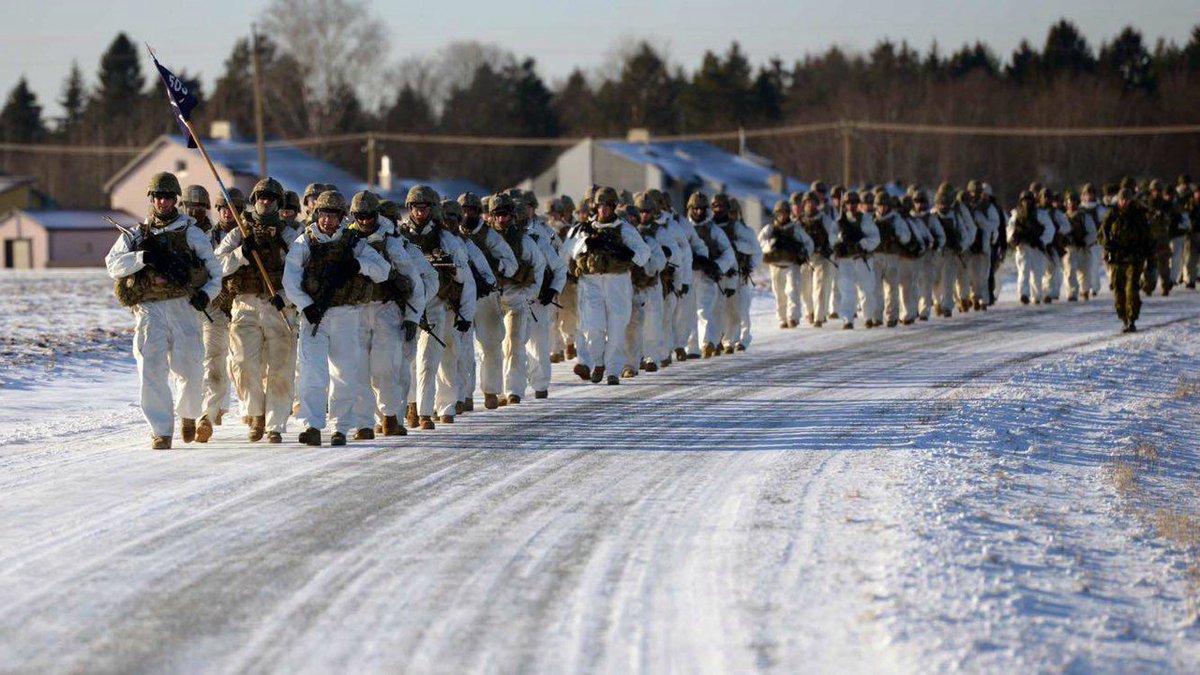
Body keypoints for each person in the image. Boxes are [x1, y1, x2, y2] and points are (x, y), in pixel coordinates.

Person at [105, 171, 223, 449]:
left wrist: (205, 296)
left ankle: (188, 415)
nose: (163, 202)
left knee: (190, 368)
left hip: (183, 307)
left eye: (169, 197)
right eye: (159, 196)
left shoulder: (191, 232)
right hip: (149, 310)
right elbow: (113, 265)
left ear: (175, 200)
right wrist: (142, 257)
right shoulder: (136, 235)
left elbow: (214, 271)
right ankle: (161, 431)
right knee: (151, 369)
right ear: (152, 198)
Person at [282, 190, 390, 446]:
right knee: (312, 372)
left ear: (341, 217)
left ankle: (341, 427)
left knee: (344, 373)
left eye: (333, 215)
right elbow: (291, 278)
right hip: (314, 316)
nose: (327, 220)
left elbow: (383, 271)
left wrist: (357, 265)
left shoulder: (355, 243)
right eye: (323, 214)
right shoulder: (304, 242)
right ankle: (312, 425)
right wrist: (306, 306)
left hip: (346, 315)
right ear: (316, 214)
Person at [213, 177, 298, 443]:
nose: (266, 201)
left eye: (271, 198)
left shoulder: (289, 234)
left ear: (278, 202)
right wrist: (240, 253)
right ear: (253, 200)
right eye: (261, 197)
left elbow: (300, 269)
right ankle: (254, 415)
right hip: (245, 304)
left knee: (280, 367)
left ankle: (274, 425)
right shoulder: (240, 230)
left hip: (278, 306)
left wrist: (286, 296)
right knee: (242, 363)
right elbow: (217, 265)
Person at [344, 190, 424, 438]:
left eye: (369, 215)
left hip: (386, 311)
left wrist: (413, 318)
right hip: (356, 311)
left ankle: (390, 417)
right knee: (357, 371)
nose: (365, 220)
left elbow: (414, 281)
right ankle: (364, 424)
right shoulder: (346, 241)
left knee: (385, 368)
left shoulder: (391, 243)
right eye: (360, 215)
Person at [400, 186, 476, 428]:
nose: (419, 213)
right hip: (407, 306)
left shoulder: (447, 239)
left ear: (432, 210)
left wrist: (465, 313)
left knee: (430, 360)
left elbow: (467, 279)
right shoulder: (400, 237)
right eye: (415, 208)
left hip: (437, 305)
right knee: (405, 360)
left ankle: (430, 411)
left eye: (424, 208)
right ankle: (410, 406)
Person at [569, 186, 652, 382]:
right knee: (593, 326)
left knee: (616, 327)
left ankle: (613, 371)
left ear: (614, 207)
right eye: (600, 206)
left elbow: (644, 252)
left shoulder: (625, 229)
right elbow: (569, 251)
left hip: (618, 282)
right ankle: (598, 363)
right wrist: (586, 244)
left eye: (608, 205)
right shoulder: (585, 229)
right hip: (591, 281)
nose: (604, 209)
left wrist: (628, 254)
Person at [471, 193, 545, 407]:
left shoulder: (524, 241)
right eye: (497, 215)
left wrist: (529, 295)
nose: (501, 220)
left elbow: (538, 268)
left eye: (505, 215)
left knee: (514, 343)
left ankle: (513, 390)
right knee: (490, 345)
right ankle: (493, 390)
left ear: (512, 216)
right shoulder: (485, 239)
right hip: (491, 299)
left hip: (515, 299)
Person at [196, 187, 246, 439]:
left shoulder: (249, 237)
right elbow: (208, 269)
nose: (228, 212)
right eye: (223, 207)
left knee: (242, 363)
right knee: (212, 362)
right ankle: (207, 414)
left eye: (234, 207)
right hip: (214, 308)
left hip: (245, 306)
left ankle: (252, 410)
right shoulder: (205, 238)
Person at [518, 190, 568, 399]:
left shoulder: (544, 233)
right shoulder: (505, 235)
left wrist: (553, 289)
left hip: (539, 295)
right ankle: (514, 386)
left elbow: (560, 259)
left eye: (527, 206)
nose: (523, 211)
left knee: (539, 341)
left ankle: (540, 384)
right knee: (514, 342)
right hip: (515, 295)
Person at [1098, 188, 1154, 332]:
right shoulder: (1113, 214)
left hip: (1134, 258)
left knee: (1131, 289)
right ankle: (1123, 317)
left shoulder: (1138, 215)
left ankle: (1131, 319)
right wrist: (1107, 244)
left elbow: (1148, 239)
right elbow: (1102, 233)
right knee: (1118, 289)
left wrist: (1150, 260)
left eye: (1126, 199)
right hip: (1117, 258)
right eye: (1121, 199)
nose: (1123, 202)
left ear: (1131, 200)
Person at [759, 199, 812, 329]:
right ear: (776, 214)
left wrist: (804, 253)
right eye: (780, 213)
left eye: (785, 213)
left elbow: (809, 243)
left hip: (791, 264)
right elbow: (760, 242)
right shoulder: (769, 229)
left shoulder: (795, 228)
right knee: (779, 294)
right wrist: (770, 244)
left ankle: (793, 318)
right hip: (776, 265)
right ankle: (782, 319)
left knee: (793, 291)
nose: (783, 216)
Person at [832, 191, 880, 329]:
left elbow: (875, 238)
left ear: (858, 204)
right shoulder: (839, 221)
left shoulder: (865, 220)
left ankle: (868, 317)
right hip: (846, 261)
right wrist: (838, 242)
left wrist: (863, 244)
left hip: (862, 260)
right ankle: (848, 319)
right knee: (847, 290)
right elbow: (831, 236)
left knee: (866, 291)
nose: (851, 205)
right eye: (848, 203)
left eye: (853, 202)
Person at [796, 191, 838, 327]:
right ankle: (811, 311)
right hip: (806, 259)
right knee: (805, 289)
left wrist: (829, 247)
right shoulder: (799, 221)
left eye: (812, 201)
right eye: (807, 202)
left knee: (820, 287)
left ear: (816, 203)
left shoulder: (824, 218)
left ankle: (819, 317)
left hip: (822, 257)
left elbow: (833, 234)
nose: (810, 204)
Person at [1007, 190, 1054, 305]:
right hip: (1023, 248)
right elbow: (1010, 229)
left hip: (1037, 248)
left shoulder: (1041, 214)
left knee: (1037, 274)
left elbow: (1050, 229)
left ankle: (1036, 296)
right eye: (1024, 200)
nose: (1026, 203)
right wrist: (1013, 238)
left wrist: (1041, 241)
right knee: (1023, 272)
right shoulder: (1016, 214)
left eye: (1028, 200)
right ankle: (1024, 294)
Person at [1062, 191, 1097, 302]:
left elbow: (1092, 232)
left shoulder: (1085, 217)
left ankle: (1085, 290)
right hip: (1070, 248)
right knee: (1069, 271)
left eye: (1073, 202)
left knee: (1085, 270)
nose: (1071, 204)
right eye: (1069, 202)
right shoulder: (1063, 217)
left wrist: (1085, 242)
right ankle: (1072, 293)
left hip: (1083, 248)